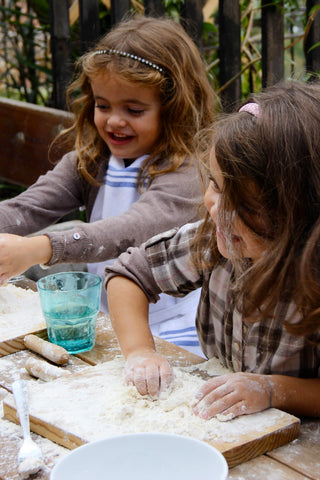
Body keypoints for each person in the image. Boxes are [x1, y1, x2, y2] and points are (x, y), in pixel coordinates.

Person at [0, 15, 218, 356]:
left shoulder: (189, 174)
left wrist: (39, 248)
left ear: (173, 109)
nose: (114, 120)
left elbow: (126, 232)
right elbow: (26, 209)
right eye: (103, 105)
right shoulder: (90, 161)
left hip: (174, 330)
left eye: (134, 109)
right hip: (105, 319)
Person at [105, 80, 320, 419]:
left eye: (244, 204)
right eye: (215, 186)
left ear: (301, 211)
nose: (216, 209)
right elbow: (128, 275)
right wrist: (140, 352)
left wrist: (271, 389)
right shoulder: (214, 243)